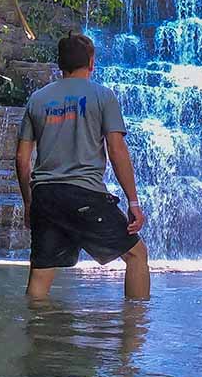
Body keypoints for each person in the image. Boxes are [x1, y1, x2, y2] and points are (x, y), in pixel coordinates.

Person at [15, 33, 149, 300]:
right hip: (84, 194)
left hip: (45, 196)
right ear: (91, 62)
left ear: (59, 64)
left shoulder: (37, 99)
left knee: (41, 274)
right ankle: (133, 334)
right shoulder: (102, 95)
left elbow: (21, 158)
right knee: (136, 255)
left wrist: (29, 204)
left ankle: (36, 337)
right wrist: (133, 202)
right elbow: (116, 149)